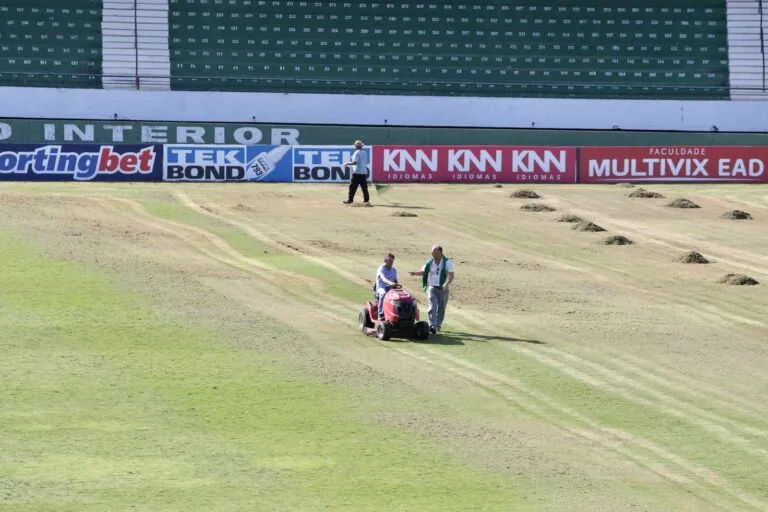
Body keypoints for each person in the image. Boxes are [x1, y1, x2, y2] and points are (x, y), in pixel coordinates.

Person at [409, 245, 455, 334]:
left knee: (441, 309)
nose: (432, 253)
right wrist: (415, 273)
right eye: (432, 252)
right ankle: (432, 325)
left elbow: (451, 275)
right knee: (432, 306)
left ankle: (438, 325)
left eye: (434, 252)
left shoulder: (447, 262)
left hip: (443, 289)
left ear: (440, 252)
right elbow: (423, 271)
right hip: (432, 288)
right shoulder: (430, 262)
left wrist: (447, 283)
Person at [343, 140, 372, 206]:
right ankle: (366, 201)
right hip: (363, 172)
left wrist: (347, 163)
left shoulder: (357, 152)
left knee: (352, 187)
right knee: (364, 188)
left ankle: (350, 200)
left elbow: (355, 162)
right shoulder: (364, 152)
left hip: (357, 172)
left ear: (356, 146)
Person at [375, 252, 399, 321]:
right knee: (383, 294)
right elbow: (383, 278)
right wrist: (390, 283)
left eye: (392, 261)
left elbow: (396, 281)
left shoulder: (394, 270)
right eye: (389, 260)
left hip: (391, 289)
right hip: (381, 288)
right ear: (385, 260)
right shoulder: (381, 268)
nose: (391, 262)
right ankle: (380, 315)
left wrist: (397, 286)